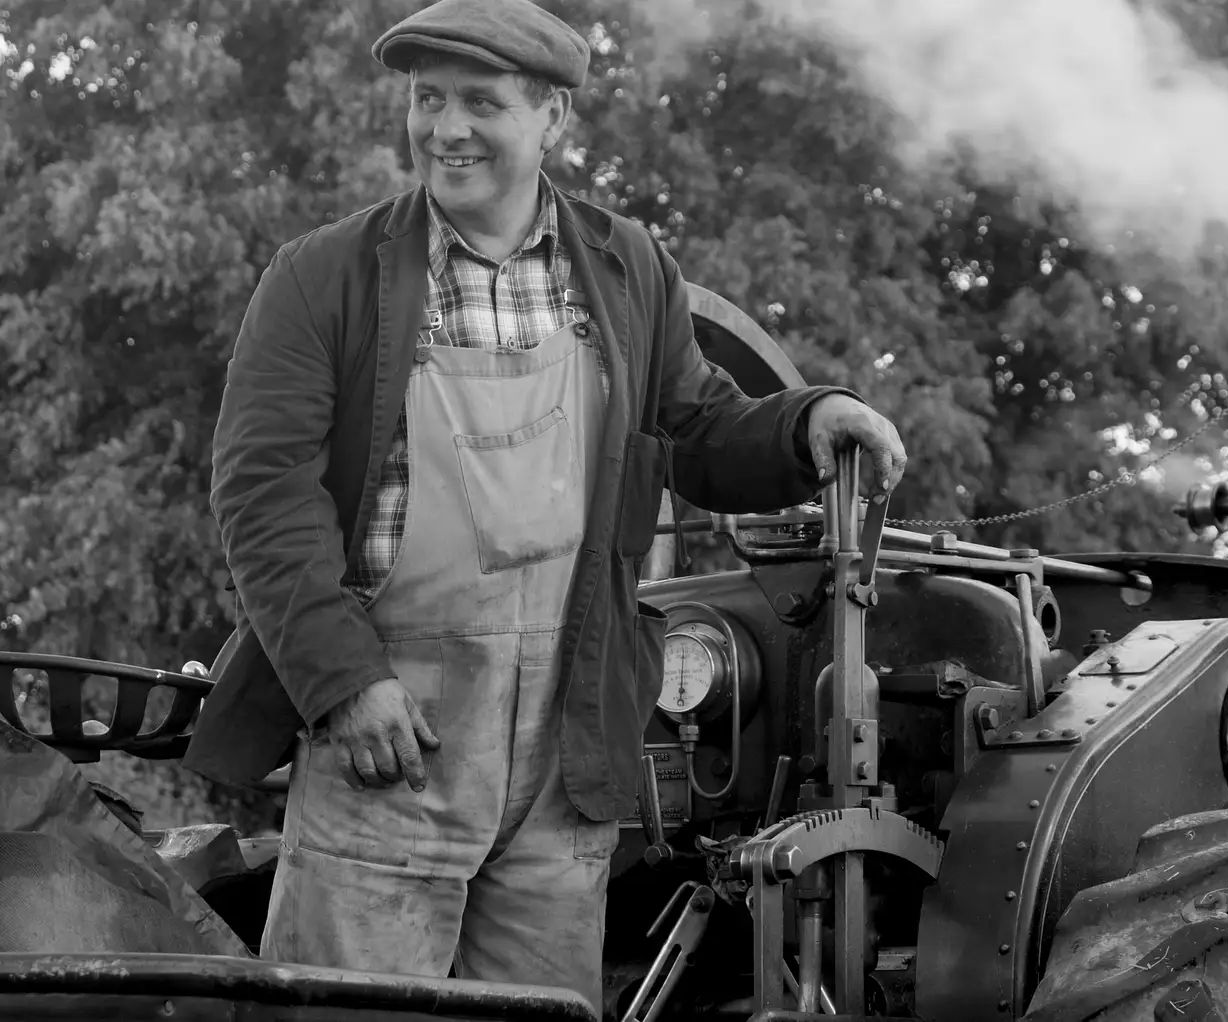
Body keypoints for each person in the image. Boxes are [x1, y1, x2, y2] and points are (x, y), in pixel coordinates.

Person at [183, 0, 906, 1013]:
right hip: (391, 737)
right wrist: (343, 681)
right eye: (428, 100)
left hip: (568, 749)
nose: (445, 130)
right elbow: (263, 494)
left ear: (553, 119)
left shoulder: (627, 267)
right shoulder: (323, 277)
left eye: (481, 102)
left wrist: (807, 421)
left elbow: (696, 427)